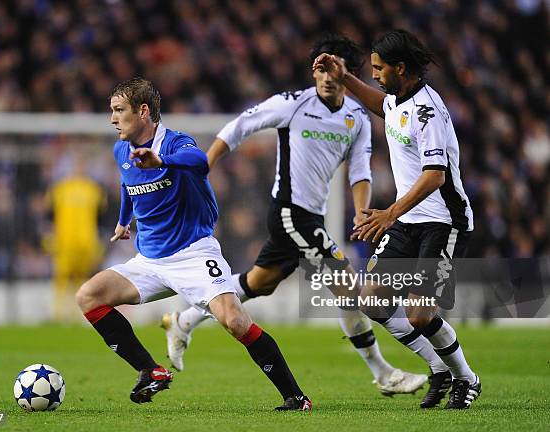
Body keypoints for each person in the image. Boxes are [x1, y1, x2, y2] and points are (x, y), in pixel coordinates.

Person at [161, 33, 427, 397]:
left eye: (335, 68)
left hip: (311, 218)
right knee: (348, 287)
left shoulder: (357, 118)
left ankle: (184, 320)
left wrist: (363, 211)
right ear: (313, 71)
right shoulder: (292, 104)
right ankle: (383, 373)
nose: (326, 76)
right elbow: (238, 127)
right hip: (289, 213)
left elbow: (360, 169)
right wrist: (204, 167)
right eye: (320, 68)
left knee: (259, 283)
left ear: (348, 73)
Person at [75, 77, 311, 411]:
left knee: (234, 321)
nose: (112, 118)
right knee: (89, 296)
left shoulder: (175, 144)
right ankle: (150, 370)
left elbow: (200, 163)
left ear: (143, 111)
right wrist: (123, 219)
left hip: (193, 254)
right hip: (149, 262)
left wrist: (161, 162)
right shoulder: (120, 148)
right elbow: (129, 184)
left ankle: (297, 397)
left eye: (118, 110)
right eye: (111, 111)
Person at [313, 29, 481, 409]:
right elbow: (382, 105)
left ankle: (466, 378)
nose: (374, 74)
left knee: (420, 315)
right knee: (372, 300)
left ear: (401, 68)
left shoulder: (428, 111)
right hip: (408, 221)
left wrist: (389, 213)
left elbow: (435, 175)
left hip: (443, 222)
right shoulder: (398, 99)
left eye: (379, 68)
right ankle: (440, 369)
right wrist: (345, 77)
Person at [45, 157, 106, 322]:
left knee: (82, 278)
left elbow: (101, 217)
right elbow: (49, 214)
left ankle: (79, 315)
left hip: (86, 242)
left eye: (82, 165)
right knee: (62, 278)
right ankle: (58, 315)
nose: (79, 168)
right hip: (64, 242)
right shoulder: (60, 188)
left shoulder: (93, 189)